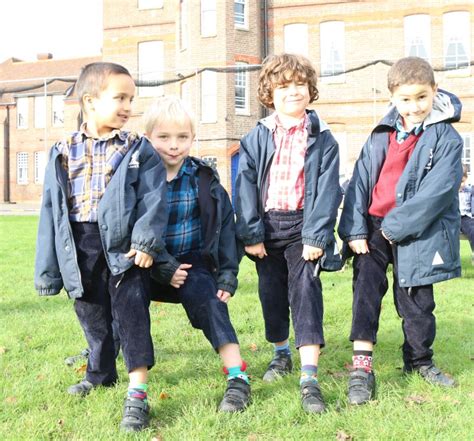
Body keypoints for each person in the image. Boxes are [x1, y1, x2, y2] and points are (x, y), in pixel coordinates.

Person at [34, 62, 171, 432]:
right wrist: (48, 271)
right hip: (79, 245)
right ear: (90, 101)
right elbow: (52, 210)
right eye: (120, 98)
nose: (128, 106)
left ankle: (137, 392)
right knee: (92, 314)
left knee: (130, 315)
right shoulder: (63, 151)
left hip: (123, 246)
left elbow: (154, 199)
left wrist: (144, 241)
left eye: (131, 99)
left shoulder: (137, 148)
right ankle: (100, 373)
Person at [338, 56, 463, 406]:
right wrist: (354, 229)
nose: (414, 106)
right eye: (405, 99)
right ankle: (362, 367)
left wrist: (396, 229)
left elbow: (436, 192)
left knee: (417, 302)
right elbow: (360, 181)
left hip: (415, 231)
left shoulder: (446, 138)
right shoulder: (381, 133)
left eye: (422, 97)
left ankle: (419, 360)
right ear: (392, 97)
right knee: (365, 291)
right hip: (374, 229)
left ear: (434, 92)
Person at [234, 53, 342, 414]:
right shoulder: (256, 137)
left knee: (307, 291)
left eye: (300, 85)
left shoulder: (324, 139)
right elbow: (245, 186)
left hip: (303, 229)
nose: (293, 92)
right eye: (283, 86)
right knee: (271, 294)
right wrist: (250, 233)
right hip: (266, 229)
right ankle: (281, 354)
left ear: (311, 91)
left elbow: (328, 192)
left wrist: (316, 236)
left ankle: (309, 375)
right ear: (269, 94)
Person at [144, 96, 251, 413]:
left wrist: (228, 274)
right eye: (163, 137)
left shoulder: (204, 178)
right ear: (148, 137)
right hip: (148, 262)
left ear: (193, 138)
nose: (173, 146)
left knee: (211, 304)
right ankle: (101, 359)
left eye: (182, 137)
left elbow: (226, 228)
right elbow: (123, 227)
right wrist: (162, 265)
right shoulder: (138, 178)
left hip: (191, 262)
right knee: (122, 298)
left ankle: (237, 377)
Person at [459, 164, 474, 263]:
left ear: (466, 179)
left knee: (472, 229)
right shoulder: (449, 191)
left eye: (462, 182)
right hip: (452, 217)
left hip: (465, 217)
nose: (460, 185)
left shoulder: (469, 191)